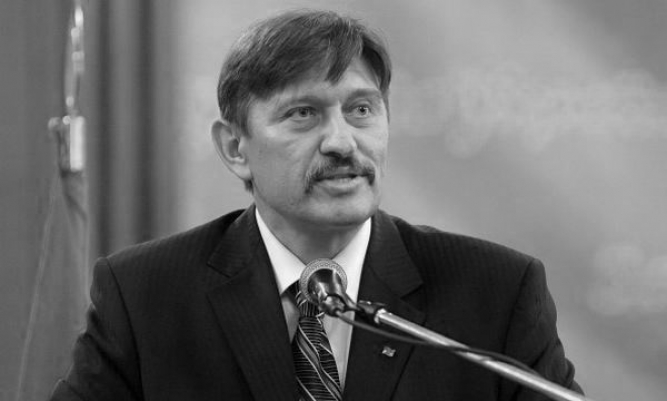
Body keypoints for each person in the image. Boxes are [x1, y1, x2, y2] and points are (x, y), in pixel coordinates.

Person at [51, 9, 582, 401]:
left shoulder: (496, 292)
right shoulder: (146, 296)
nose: (342, 142)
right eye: (303, 113)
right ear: (235, 148)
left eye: (361, 109)